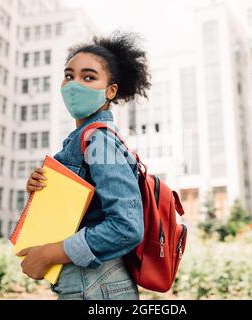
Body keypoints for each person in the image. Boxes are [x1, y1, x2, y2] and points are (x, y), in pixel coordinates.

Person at [17, 31, 152, 300]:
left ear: (110, 91)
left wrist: (48, 253)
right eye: (69, 75)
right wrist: (40, 189)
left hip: (97, 285)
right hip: (92, 285)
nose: (74, 84)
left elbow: (126, 227)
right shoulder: (83, 139)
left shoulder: (99, 140)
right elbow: (83, 211)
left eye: (88, 77)